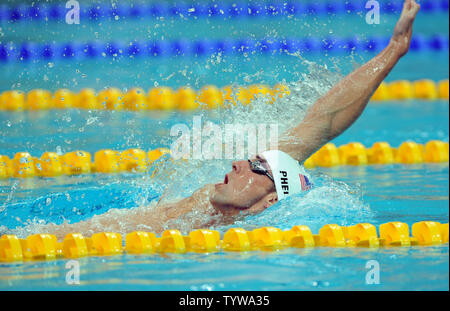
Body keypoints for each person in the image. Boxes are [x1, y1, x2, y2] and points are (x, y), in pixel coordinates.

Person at [38, 0, 421, 240]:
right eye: (252, 159)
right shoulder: (211, 199)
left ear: (269, 202)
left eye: (255, 166)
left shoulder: (231, 235)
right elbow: (322, 120)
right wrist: (394, 51)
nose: (238, 163)